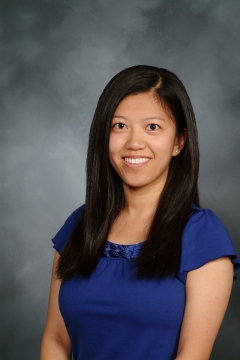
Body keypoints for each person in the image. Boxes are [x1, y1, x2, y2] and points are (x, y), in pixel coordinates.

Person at [40, 65, 240, 360]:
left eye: (153, 127)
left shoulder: (202, 235)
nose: (134, 142)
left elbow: (192, 355)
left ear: (178, 142)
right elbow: (55, 338)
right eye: (119, 126)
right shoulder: (79, 226)